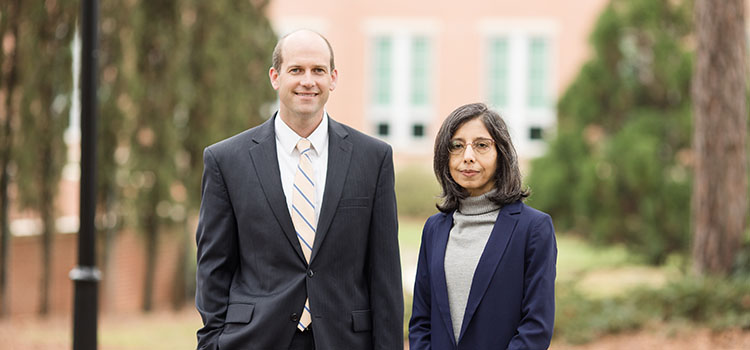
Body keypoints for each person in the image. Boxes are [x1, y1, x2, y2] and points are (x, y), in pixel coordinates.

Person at [195, 29, 403, 350]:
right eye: (296, 70)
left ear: (333, 78)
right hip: (254, 340)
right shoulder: (226, 161)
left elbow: (385, 273)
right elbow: (214, 268)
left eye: (318, 70)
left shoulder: (373, 159)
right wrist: (212, 344)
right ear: (275, 77)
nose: (308, 81)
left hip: (344, 341)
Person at [408, 103, 557, 349]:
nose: (468, 156)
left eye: (481, 145)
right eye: (456, 146)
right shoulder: (434, 229)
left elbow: (536, 328)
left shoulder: (533, 228)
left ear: (502, 154)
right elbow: (421, 322)